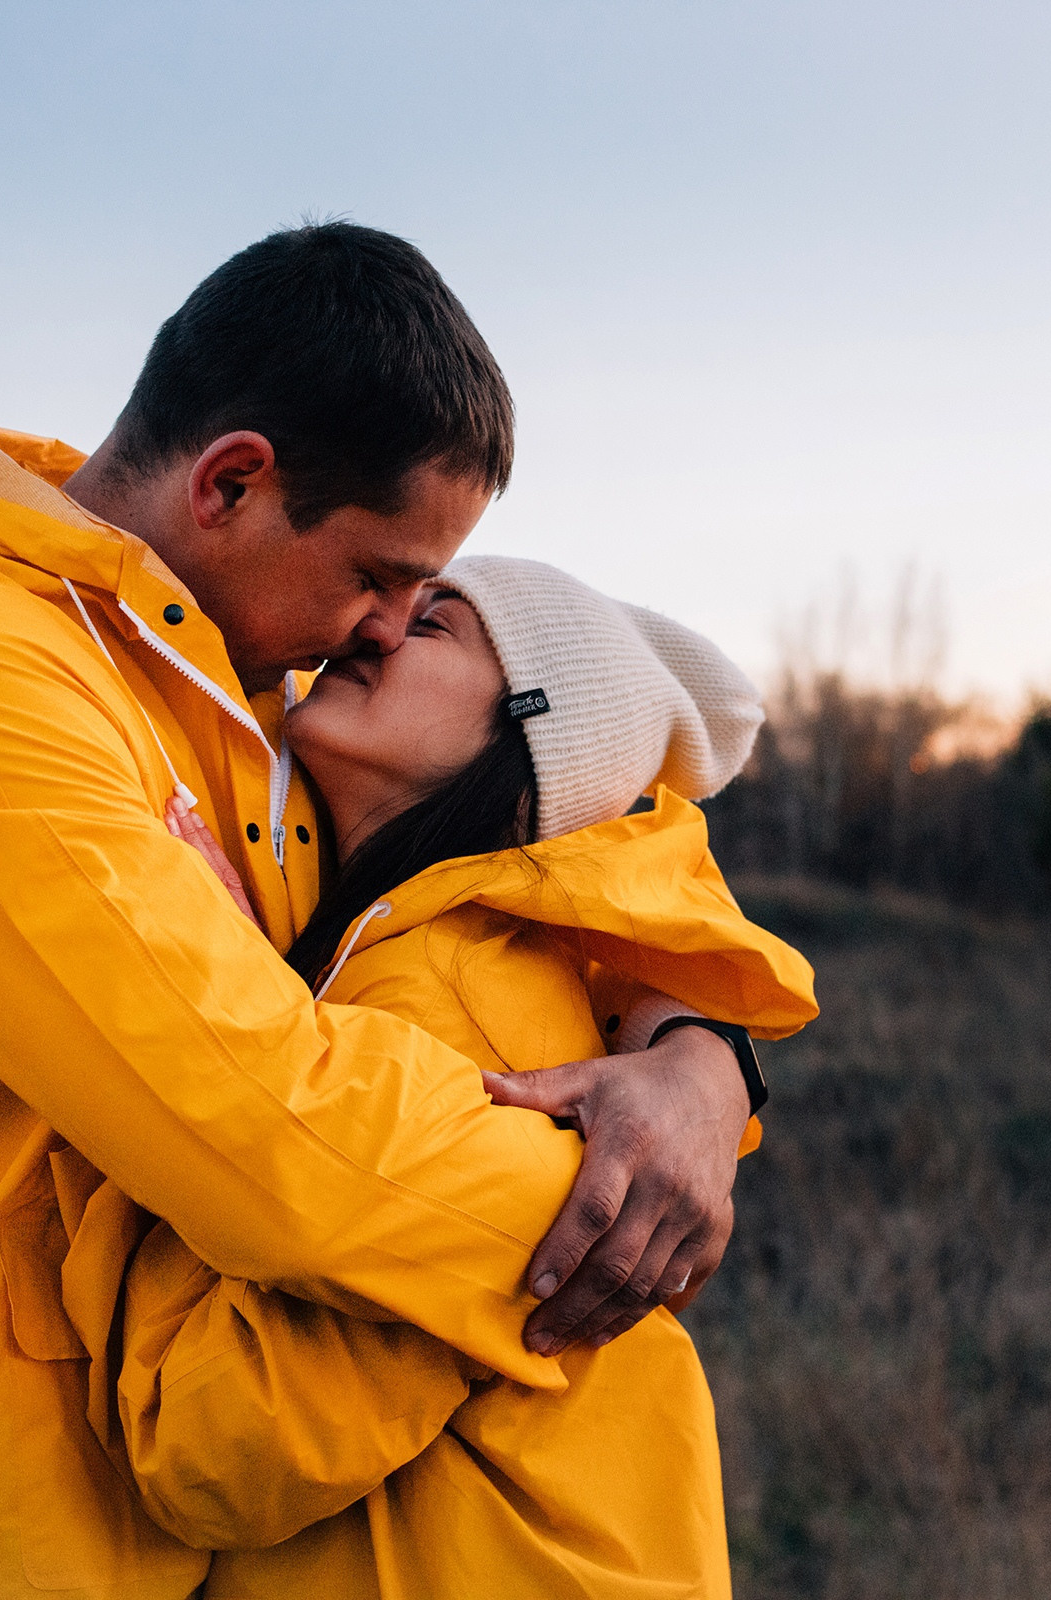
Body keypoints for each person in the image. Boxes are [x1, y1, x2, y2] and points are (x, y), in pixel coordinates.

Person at [0, 223, 767, 1596]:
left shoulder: (242, 687)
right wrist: (618, 1200)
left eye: (424, 601)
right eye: (378, 576)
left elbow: (604, 823)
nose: (384, 626)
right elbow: (273, 1134)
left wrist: (702, 1059)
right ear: (231, 482)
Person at [82, 557, 817, 1597]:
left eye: (433, 626)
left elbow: (211, 1452)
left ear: (524, 741)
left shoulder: (447, 1008)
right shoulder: (443, 963)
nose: (375, 628)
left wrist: (186, 1024)